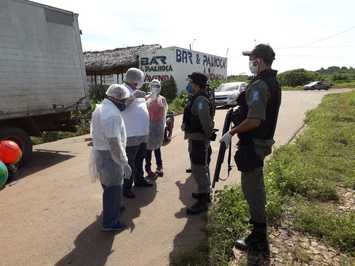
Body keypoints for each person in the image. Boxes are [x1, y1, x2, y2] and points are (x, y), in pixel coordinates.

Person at [220, 44, 281, 255]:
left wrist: (233, 131)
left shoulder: (261, 84)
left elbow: (254, 119)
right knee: (256, 186)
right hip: (260, 142)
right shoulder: (271, 82)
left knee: (252, 189)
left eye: (252, 59)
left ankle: (258, 237)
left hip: (253, 144)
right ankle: (258, 226)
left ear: (259, 61)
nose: (250, 63)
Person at [90, 84, 132, 231]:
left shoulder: (101, 107)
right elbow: (114, 143)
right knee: (113, 189)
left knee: (107, 184)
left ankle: (114, 208)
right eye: (124, 99)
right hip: (110, 155)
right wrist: (124, 162)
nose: (126, 102)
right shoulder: (112, 115)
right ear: (116, 98)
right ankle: (110, 222)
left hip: (101, 152)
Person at [182, 72, 215, 215]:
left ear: (196, 84)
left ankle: (204, 198)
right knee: (197, 168)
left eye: (191, 82)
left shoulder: (201, 100)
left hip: (199, 140)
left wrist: (208, 135)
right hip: (195, 138)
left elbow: (206, 122)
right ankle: (203, 193)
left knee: (200, 169)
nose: (189, 85)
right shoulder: (196, 98)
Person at [121, 68, 153, 199]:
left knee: (140, 158)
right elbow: (121, 106)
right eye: (141, 80)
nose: (142, 82)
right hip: (131, 134)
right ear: (136, 81)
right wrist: (133, 96)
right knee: (129, 162)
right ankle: (126, 187)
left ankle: (139, 180)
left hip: (142, 133)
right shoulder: (122, 90)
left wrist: (147, 97)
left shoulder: (134, 90)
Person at [145, 79, 168, 178]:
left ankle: (159, 167)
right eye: (154, 86)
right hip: (148, 127)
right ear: (150, 87)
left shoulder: (162, 99)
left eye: (157, 86)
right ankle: (148, 168)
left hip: (158, 127)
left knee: (157, 148)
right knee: (148, 149)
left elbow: (165, 113)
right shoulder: (146, 99)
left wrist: (164, 126)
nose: (155, 88)